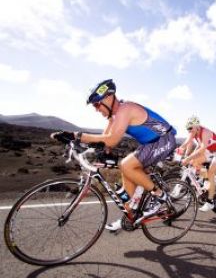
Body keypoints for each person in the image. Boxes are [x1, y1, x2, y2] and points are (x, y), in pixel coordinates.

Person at [51, 79, 176, 231]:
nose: (96, 109)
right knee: (126, 183)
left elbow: (111, 139)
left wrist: (76, 135)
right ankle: (129, 217)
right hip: (149, 144)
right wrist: (97, 149)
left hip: (164, 140)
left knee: (126, 165)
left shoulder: (125, 109)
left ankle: (159, 196)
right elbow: (106, 140)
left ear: (108, 98)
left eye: (97, 104)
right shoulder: (114, 115)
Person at [178, 115, 216, 212]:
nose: (189, 131)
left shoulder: (205, 132)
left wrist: (188, 157)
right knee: (194, 162)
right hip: (210, 150)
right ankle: (206, 180)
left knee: (210, 173)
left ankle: (210, 202)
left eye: (190, 128)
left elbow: (202, 149)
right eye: (187, 129)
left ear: (197, 126)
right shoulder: (193, 131)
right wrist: (180, 149)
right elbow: (187, 142)